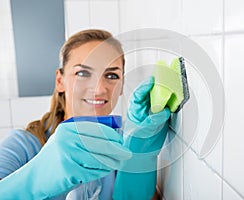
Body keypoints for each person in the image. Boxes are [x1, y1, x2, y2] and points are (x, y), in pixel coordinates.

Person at [0, 29, 170, 199]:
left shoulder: (121, 142)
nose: (99, 89)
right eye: (83, 73)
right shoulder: (23, 145)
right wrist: (35, 179)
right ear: (60, 81)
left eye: (111, 75)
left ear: (122, 84)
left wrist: (140, 152)